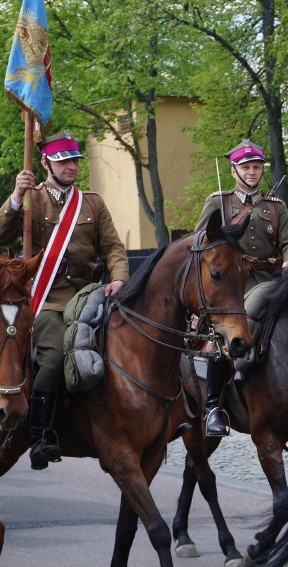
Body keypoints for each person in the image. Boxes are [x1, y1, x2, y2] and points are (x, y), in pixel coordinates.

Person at [0, 130, 130, 470]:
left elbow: (113, 247)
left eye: (73, 160)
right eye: (63, 161)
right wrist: (15, 196)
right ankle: (40, 432)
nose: (71, 166)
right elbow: (1, 234)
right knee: (56, 357)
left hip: (89, 295)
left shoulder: (92, 203)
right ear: (45, 163)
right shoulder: (32, 199)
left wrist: (118, 277)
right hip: (48, 299)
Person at [194, 139, 288, 436]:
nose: (252, 172)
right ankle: (214, 407)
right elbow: (200, 243)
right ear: (234, 170)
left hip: (272, 281)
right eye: (246, 167)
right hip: (231, 287)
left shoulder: (274, 206)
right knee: (221, 337)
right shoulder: (219, 202)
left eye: (257, 167)